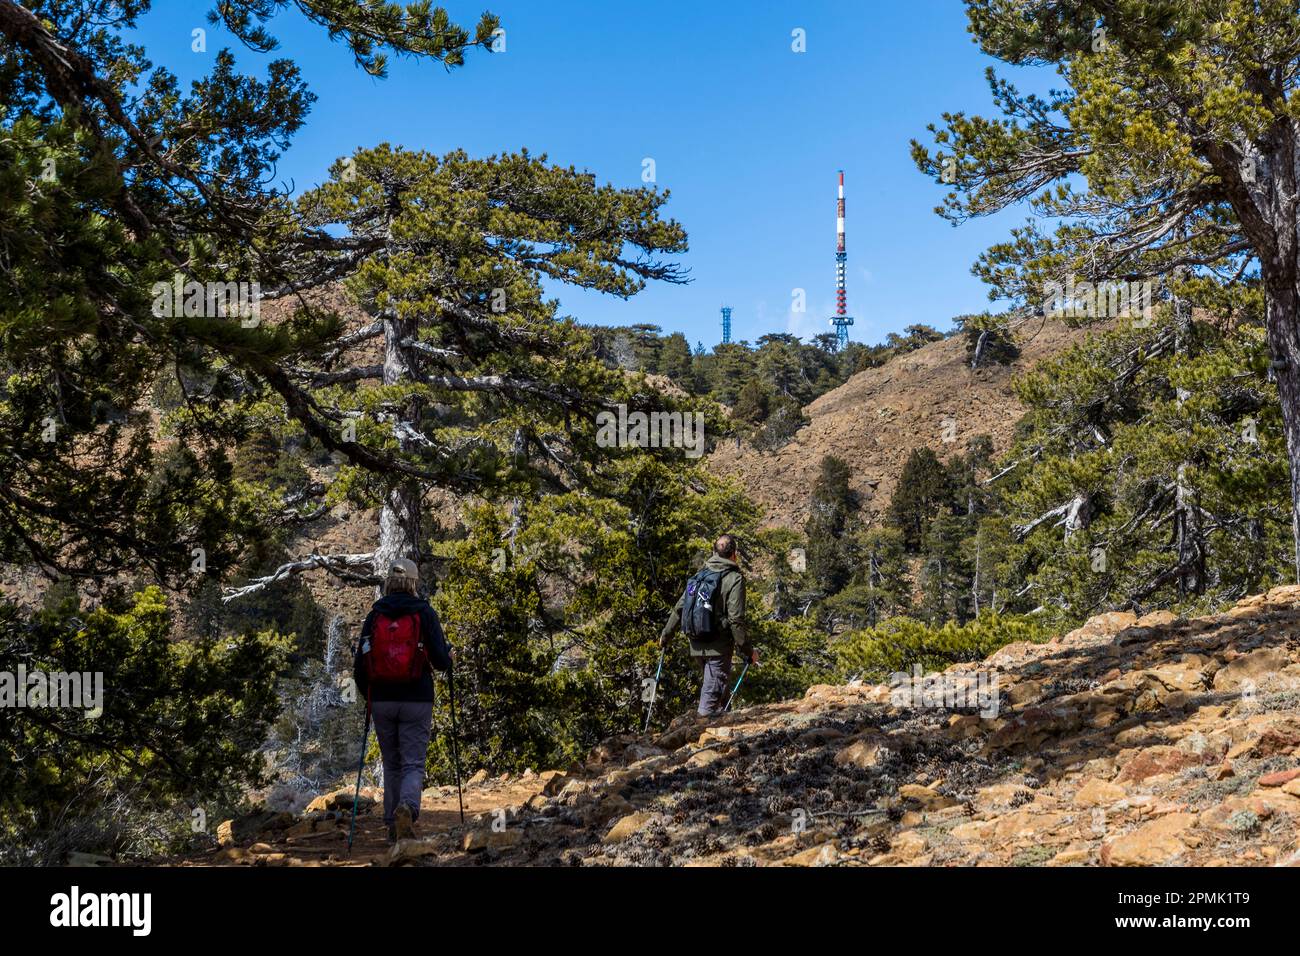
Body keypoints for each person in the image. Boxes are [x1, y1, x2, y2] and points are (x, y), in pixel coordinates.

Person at [353, 557, 453, 843]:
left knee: (391, 763)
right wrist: (449, 656)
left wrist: (369, 698)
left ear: (389, 581)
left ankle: (390, 823)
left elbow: (360, 665)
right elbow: (440, 660)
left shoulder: (374, 616)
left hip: (382, 700)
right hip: (416, 698)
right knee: (413, 763)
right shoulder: (424, 613)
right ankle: (407, 808)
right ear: (413, 581)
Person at [660, 534, 759, 716]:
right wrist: (748, 650)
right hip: (718, 647)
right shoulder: (734, 579)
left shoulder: (699, 576)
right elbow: (736, 619)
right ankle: (701, 736)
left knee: (719, 693)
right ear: (734, 554)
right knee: (709, 706)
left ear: (714, 552)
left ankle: (722, 734)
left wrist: (666, 636)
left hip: (696, 642)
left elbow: (679, 608)